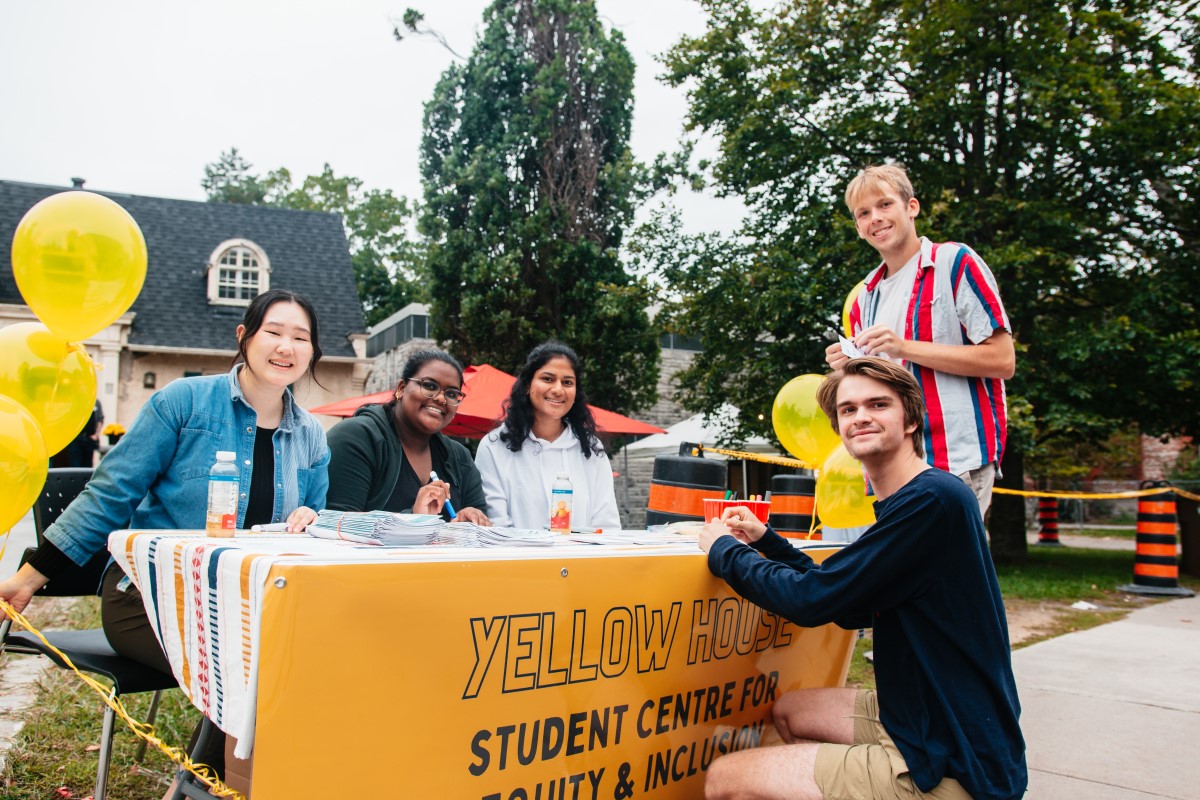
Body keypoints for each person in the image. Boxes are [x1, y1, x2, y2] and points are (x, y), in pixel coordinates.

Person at [0, 288, 329, 784]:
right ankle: (208, 788)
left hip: (245, 605)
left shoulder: (311, 437)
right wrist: (28, 578)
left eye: (300, 338)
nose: (287, 347)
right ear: (244, 336)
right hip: (149, 598)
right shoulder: (184, 403)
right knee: (254, 668)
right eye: (274, 332)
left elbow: (317, 522)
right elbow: (109, 497)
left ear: (312, 351)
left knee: (307, 658)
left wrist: (312, 520)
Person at [698, 357, 1025, 800]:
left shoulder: (931, 501)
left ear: (911, 419)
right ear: (839, 428)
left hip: (954, 760)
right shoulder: (916, 498)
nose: (861, 417)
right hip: (922, 715)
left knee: (725, 779)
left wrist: (724, 550)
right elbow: (848, 603)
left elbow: (810, 600)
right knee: (791, 711)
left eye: (878, 404)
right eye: (848, 409)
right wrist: (766, 540)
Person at [826, 163, 1015, 516]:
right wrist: (847, 367)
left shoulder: (954, 262)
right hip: (890, 466)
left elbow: (1003, 360)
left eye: (885, 204)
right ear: (858, 229)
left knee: (948, 553)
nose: (875, 218)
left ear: (911, 207)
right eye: (863, 213)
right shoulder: (865, 298)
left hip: (954, 458)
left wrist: (903, 347)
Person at [326, 348, 490, 523]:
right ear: (401, 389)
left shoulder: (460, 458)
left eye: (451, 394)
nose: (441, 399)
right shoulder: (356, 438)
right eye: (429, 386)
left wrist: (471, 521)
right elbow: (337, 525)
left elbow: (482, 526)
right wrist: (413, 518)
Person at [474, 341, 620, 531]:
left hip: (585, 551)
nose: (558, 390)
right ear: (527, 385)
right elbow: (496, 525)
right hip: (515, 550)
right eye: (548, 379)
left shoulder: (591, 448)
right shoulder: (494, 447)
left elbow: (606, 525)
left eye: (567, 382)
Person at [50, 398, 103, 468]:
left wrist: (96, 435)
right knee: (74, 464)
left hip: (89, 438)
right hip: (75, 439)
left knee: (88, 464)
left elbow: (100, 419)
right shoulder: (74, 401)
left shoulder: (95, 402)